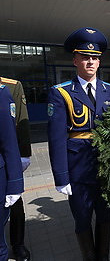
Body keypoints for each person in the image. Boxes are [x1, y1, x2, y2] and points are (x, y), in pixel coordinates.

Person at [47, 27, 110, 260]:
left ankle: (104, 257)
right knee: (82, 217)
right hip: (77, 170)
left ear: (99, 62)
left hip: (105, 169)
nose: (90, 62)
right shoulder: (61, 93)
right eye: (85, 57)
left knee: (106, 215)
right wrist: (61, 177)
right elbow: (56, 139)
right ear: (75, 60)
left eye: (95, 58)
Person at [0, 77, 32, 261]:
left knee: (15, 203)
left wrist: (24, 153)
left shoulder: (11, 85)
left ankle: (18, 243)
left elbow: (22, 120)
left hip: (9, 156)